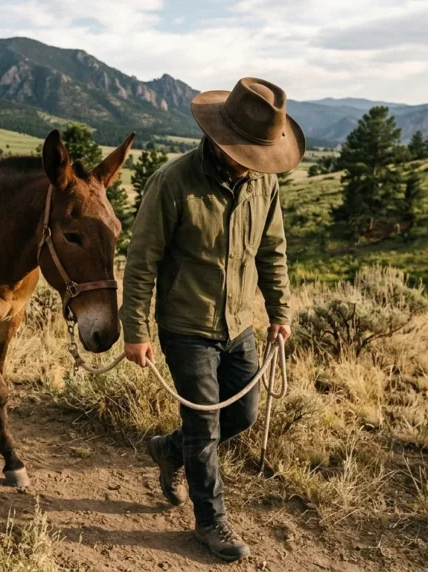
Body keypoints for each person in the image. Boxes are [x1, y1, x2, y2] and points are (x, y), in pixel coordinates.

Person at [121, 77, 304, 562]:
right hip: (186, 327)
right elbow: (142, 262)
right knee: (204, 426)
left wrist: (280, 312)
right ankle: (211, 522)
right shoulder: (172, 182)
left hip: (239, 324)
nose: (253, 162)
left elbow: (272, 251)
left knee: (241, 414)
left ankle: (169, 450)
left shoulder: (264, 184)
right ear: (221, 138)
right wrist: (136, 331)